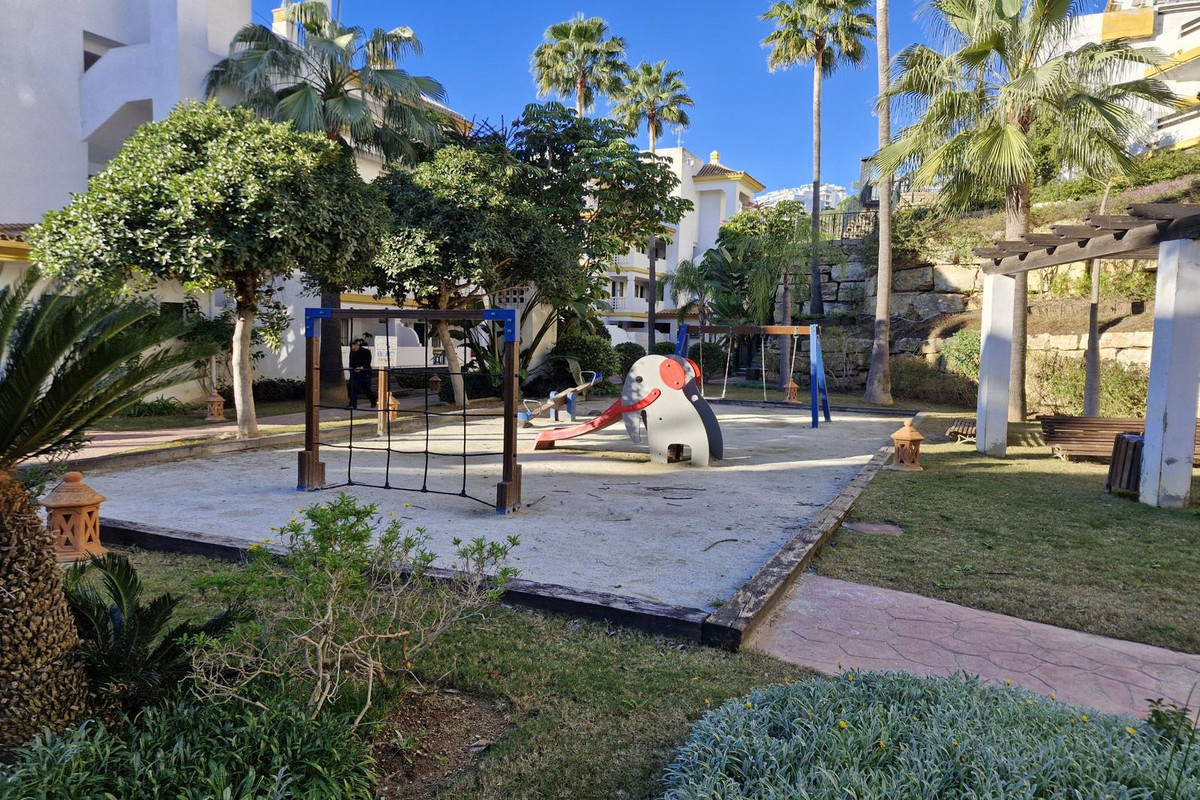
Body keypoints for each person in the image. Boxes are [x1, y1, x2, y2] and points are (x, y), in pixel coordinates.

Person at [348, 339, 374, 409]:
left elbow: (368, 362)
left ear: (357, 345)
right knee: (353, 388)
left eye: (354, 348)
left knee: (366, 389)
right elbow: (351, 362)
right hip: (355, 373)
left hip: (365, 373)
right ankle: (353, 404)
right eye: (352, 348)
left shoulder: (366, 352)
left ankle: (373, 401)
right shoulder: (352, 352)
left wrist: (361, 368)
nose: (353, 349)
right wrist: (352, 369)